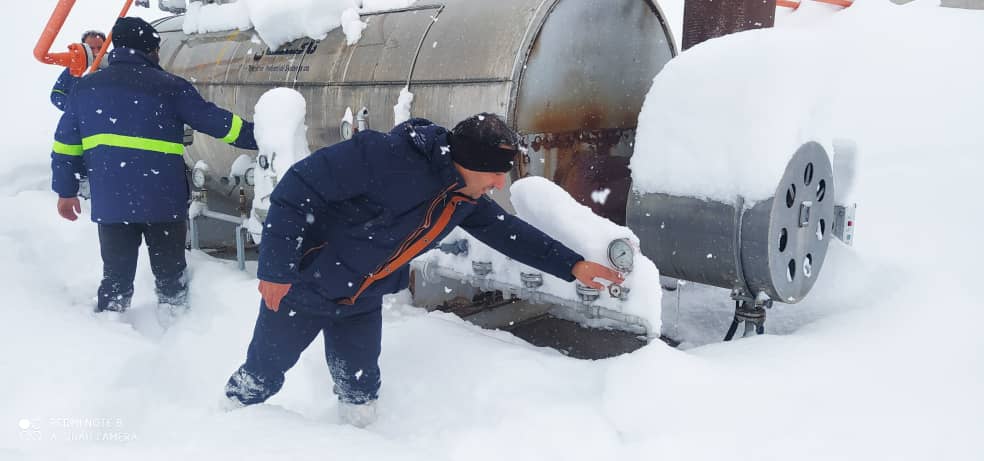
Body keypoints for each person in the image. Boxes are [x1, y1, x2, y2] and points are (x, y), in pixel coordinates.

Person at [223, 113, 624, 427]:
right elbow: (296, 189)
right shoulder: (383, 157)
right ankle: (229, 426)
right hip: (304, 288)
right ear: (471, 162)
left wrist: (571, 264)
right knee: (263, 372)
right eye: (496, 172)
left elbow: (507, 232)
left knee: (360, 386)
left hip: (362, 295)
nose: (500, 184)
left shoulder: (460, 196)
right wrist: (276, 269)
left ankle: (354, 443)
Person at [50, 17, 258, 323]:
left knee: (116, 279)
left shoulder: (85, 89)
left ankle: (109, 328)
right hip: (163, 201)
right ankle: (175, 327)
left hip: (113, 204)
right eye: (157, 48)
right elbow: (214, 122)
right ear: (149, 49)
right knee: (171, 278)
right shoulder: (170, 87)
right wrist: (258, 134)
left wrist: (66, 192)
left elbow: (65, 146)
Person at [50, 30, 106, 111]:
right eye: (91, 48)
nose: (96, 52)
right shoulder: (74, 68)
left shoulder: (112, 67)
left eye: (100, 48)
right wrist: (77, 107)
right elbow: (56, 94)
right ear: (84, 48)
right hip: (82, 120)